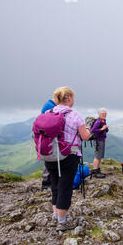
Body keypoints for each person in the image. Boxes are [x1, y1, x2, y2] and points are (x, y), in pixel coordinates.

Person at [44, 86, 91, 231]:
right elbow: (85, 136)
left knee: (55, 185)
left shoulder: (48, 112)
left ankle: (55, 215)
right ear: (69, 98)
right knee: (65, 187)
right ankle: (62, 222)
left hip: (50, 155)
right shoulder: (75, 115)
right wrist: (88, 129)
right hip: (68, 156)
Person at [40, 96, 58, 190]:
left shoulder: (49, 104)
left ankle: (48, 180)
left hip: (46, 137)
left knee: (50, 158)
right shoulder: (50, 106)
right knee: (49, 158)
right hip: (49, 137)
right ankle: (46, 182)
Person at [90, 108, 109, 179]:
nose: (104, 115)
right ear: (99, 114)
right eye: (102, 114)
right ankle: (95, 172)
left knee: (100, 156)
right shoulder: (98, 121)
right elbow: (93, 130)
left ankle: (97, 170)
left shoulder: (103, 121)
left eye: (105, 114)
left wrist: (105, 129)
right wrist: (102, 129)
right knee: (97, 156)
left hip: (101, 140)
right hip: (98, 141)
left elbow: (104, 131)